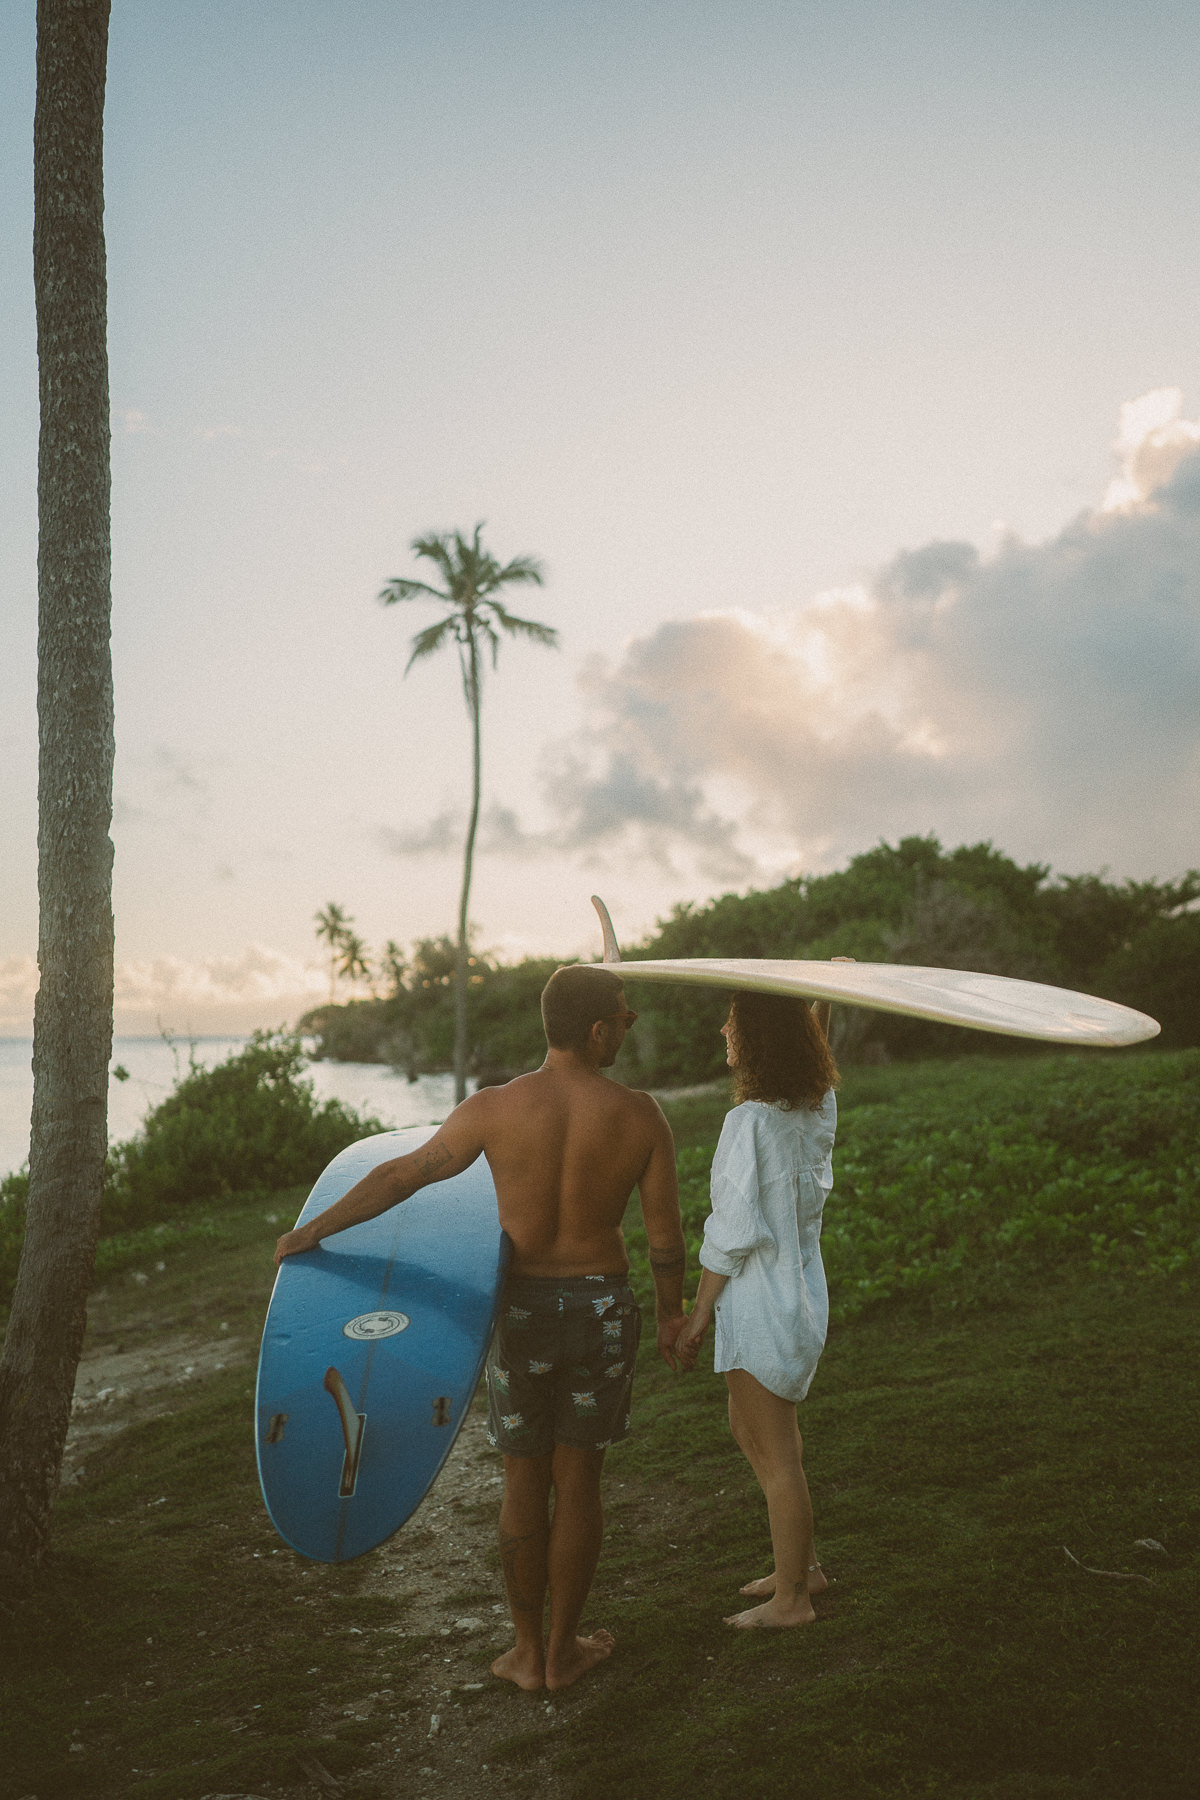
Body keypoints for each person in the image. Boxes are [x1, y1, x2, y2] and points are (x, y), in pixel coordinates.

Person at [275, 963, 686, 1690]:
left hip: (521, 1311)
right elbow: (664, 1239)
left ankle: (527, 1652)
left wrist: (316, 1229)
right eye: (623, 1017)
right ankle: (566, 1650)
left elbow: (404, 1174)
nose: (628, 1026)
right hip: (599, 1310)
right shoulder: (639, 1114)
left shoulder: (494, 1108)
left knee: (523, 1479)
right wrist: (673, 1314)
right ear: (596, 1030)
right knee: (580, 1480)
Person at [674, 985, 840, 1630]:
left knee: (776, 1458)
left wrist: (695, 1317)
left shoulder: (750, 1122)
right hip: (795, 1294)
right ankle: (804, 1566)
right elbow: (811, 1060)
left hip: (762, 1299)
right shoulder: (814, 1107)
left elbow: (732, 1230)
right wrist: (824, 1004)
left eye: (734, 1022)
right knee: (754, 1433)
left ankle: (793, 1600)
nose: (723, 1031)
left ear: (759, 1038)